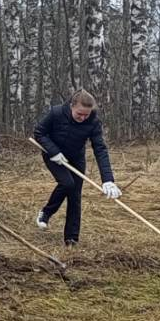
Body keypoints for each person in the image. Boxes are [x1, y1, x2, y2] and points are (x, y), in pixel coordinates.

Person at [32, 90, 120, 247]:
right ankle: (46, 212)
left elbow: (100, 149)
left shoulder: (93, 122)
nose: (83, 118)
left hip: (75, 157)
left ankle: (71, 239)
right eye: (79, 114)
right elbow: (39, 133)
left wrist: (108, 180)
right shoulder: (56, 113)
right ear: (71, 106)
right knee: (67, 183)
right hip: (53, 154)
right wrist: (54, 151)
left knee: (75, 195)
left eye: (86, 115)